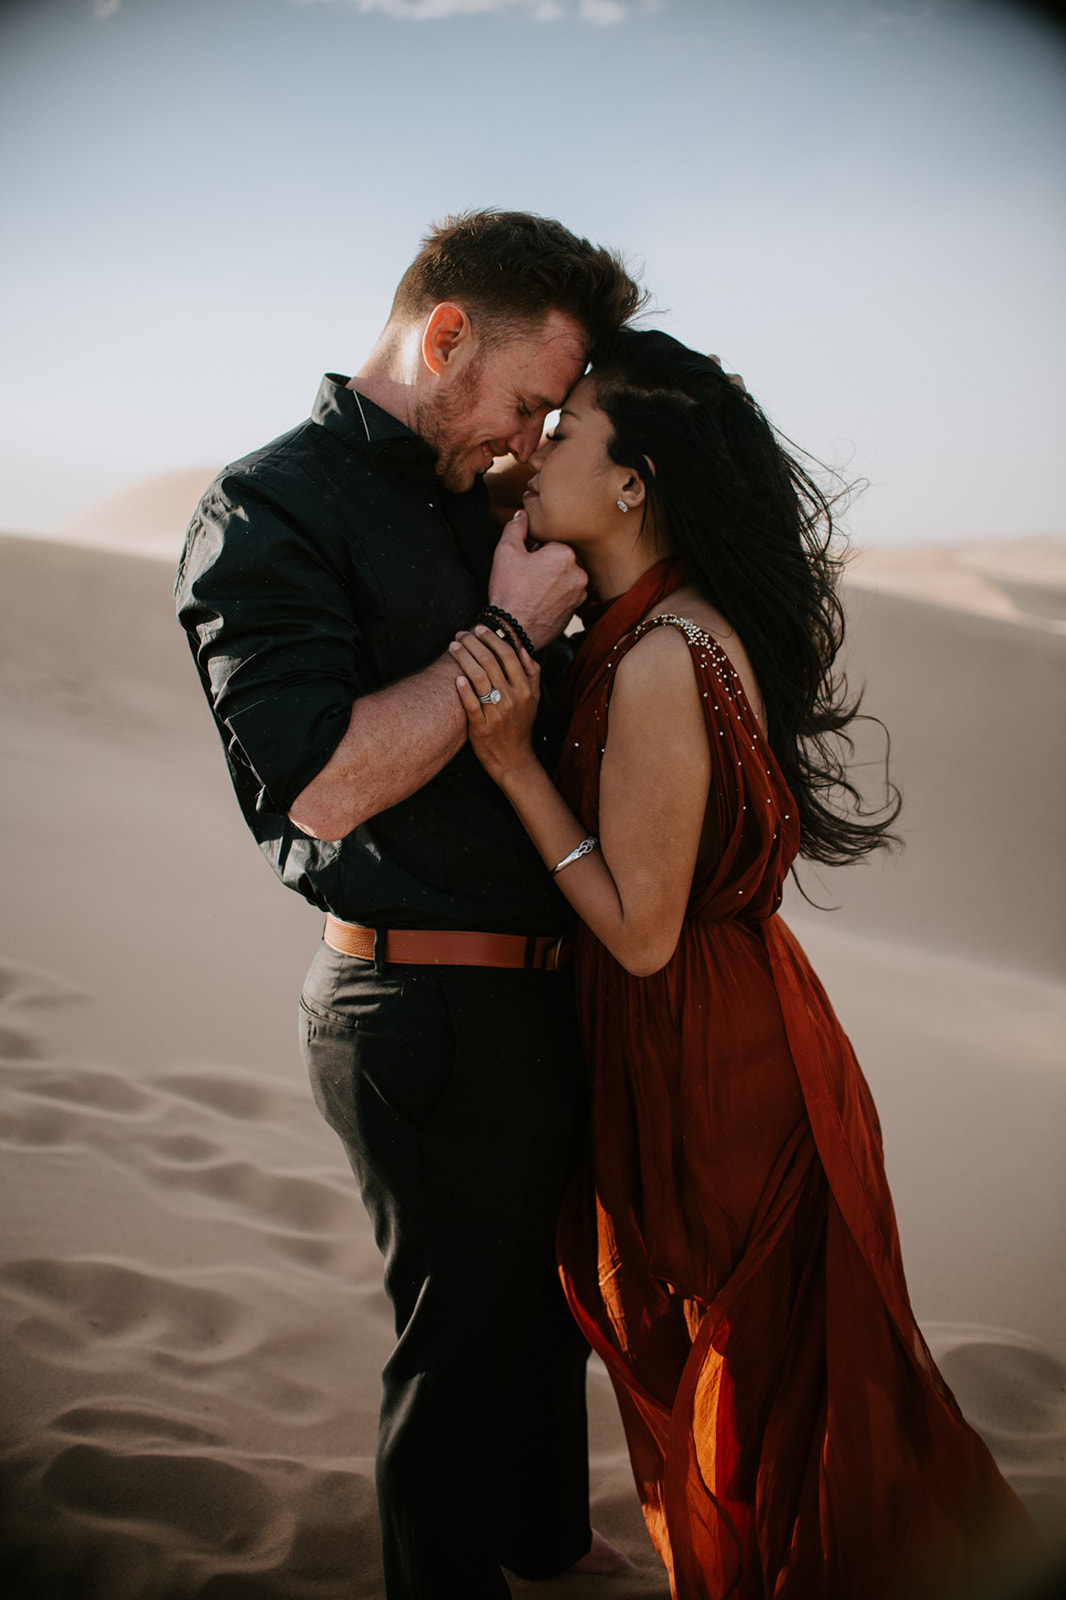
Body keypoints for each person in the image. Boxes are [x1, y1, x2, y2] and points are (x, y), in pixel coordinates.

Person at [450, 329, 1036, 1599]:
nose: (541, 446)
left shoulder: (664, 659)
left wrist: (508, 767)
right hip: (733, 1031)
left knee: (758, 1402)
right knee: (772, 1395)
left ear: (634, 483)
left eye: (570, 430)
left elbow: (642, 928)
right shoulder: (656, 622)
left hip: (710, 1067)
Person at [175, 211, 644, 1599]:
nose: (528, 436)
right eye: (521, 400)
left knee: (545, 1312)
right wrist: (503, 641)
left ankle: (550, 1552)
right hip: (415, 1004)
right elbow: (319, 786)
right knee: (456, 1347)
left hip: (553, 987)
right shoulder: (270, 506)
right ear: (442, 336)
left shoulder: (501, 498)